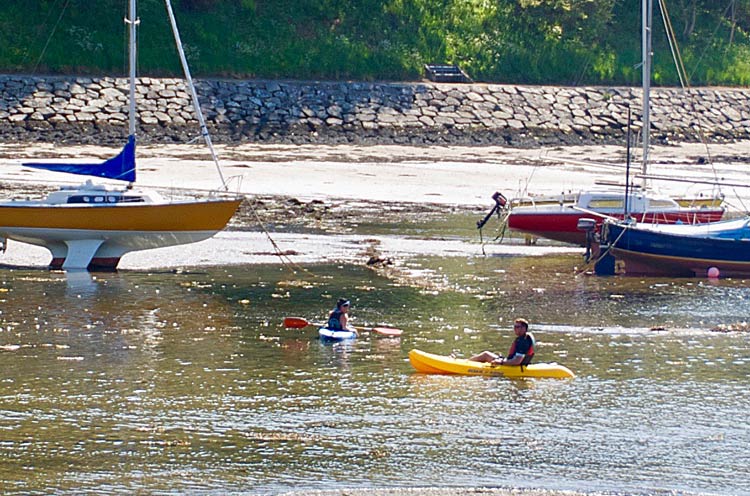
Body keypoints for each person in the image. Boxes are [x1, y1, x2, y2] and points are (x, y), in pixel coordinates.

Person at [470, 318, 535, 366]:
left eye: (517, 327)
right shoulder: (524, 338)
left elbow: (517, 361)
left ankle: (466, 364)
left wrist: (501, 362)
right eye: (514, 326)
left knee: (485, 355)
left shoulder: (523, 341)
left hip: (515, 366)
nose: (514, 329)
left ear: (524, 328)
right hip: (515, 363)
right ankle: (468, 363)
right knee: (486, 354)